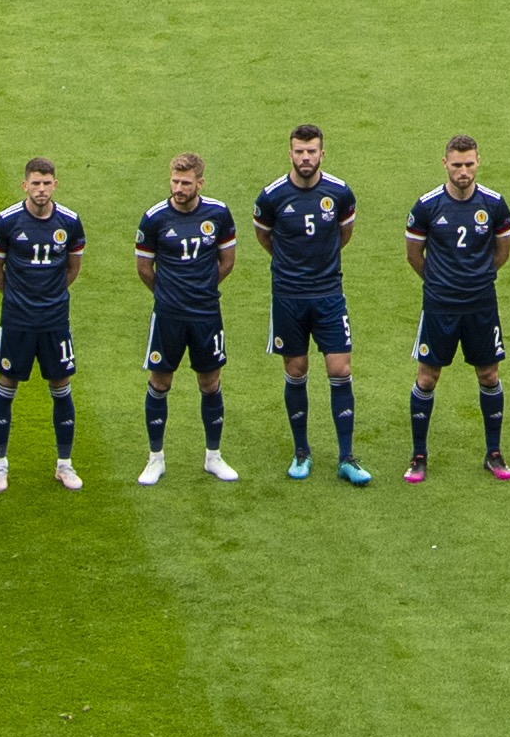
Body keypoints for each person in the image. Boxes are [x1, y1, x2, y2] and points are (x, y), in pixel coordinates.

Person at [253, 123, 377, 484]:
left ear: (323, 153)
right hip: (288, 297)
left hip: (329, 295)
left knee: (339, 369)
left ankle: (346, 457)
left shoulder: (339, 193)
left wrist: (321, 263)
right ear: (289, 153)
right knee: (296, 370)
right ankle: (301, 452)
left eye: (311, 152)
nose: (305, 158)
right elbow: (265, 236)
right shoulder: (271, 197)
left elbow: (344, 233)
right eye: (298, 152)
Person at [401, 133, 510, 482]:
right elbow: (413, 255)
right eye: (456, 165)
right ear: (445, 164)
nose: (463, 171)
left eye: (469, 164)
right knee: (427, 377)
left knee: (489, 375)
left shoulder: (495, 205)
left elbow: (502, 252)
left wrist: (477, 279)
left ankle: (494, 453)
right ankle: (418, 456)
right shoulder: (427, 206)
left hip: (481, 305)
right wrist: (440, 282)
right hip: (439, 307)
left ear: (478, 162)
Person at [137, 151, 244, 482]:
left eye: (185, 182)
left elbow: (226, 261)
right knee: (160, 382)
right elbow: (144, 268)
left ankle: (213, 456)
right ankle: (156, 458)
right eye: (174, 181)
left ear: (200, 182)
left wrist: (201, 290)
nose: (178, 188)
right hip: (168, 316)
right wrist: (169, 294)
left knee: (210, 383)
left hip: (206, 315)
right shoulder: (154, 218)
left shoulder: (219, 214)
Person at [0, 157, 89, 490]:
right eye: (35, 183)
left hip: (55, 321)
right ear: (25, 185)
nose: (41, 189)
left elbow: (72, 268)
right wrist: (19, 298)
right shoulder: (6, 222)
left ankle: (65, 464)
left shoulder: (70, 222)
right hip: (17, 321)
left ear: (55, 184)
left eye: (46, 183)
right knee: (7, 387)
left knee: (61, 388)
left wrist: (51, 297)